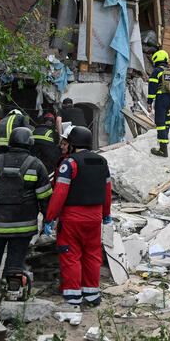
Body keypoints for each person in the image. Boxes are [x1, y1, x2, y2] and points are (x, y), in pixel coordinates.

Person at [0, 126, 51, 303]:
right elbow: (45, 197)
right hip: (24, 225)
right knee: (16, 261)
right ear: (30, 143)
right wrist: (47, 218)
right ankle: (12, 296)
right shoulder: (36, 165)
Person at [47, 126, 112, 306]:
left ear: (74, 143)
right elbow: (107, 191)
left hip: (72, 219)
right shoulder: (102, 162)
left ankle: (73, 296)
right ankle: (92, 295)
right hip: (95, 219)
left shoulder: (69, 163)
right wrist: (106, 214)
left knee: (71, 255)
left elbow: (59, 193)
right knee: (92, 255)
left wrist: (50, 217)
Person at [147, 49, 170, 158]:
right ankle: (166, 136)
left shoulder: (157, 71)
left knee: (160, 123)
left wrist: (149, 102)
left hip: (161, 99)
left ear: (156, 60)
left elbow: (152, 88)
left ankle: (163, 149)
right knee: (166, 119)